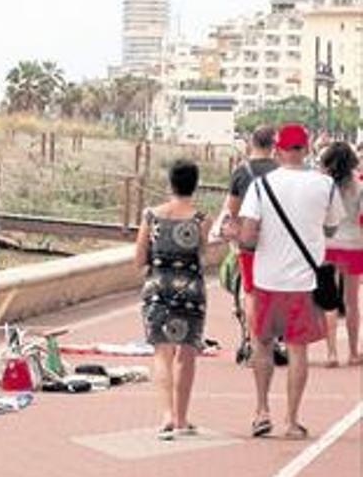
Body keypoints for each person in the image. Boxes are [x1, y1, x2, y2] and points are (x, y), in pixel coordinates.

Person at [239, 123, 345, 439]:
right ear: (307, 148)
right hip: (304, 281)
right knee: (298, 349)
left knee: (262, 343)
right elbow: (331, 229)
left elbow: (247, 236)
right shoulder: (325, 185)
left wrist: (244, 238)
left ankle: (261, 411)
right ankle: (292, 419)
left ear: (278, 149)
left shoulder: (260, 186)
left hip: (267, 278)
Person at [134, 159, 210, 441]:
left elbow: (138, 258)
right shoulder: (201, 218)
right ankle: (181, 417)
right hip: (190, 291)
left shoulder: (150, 216)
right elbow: (203, 255)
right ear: (195, 184)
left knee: (161, 352)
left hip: (157, 287)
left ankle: (165, 415)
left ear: (170, 183)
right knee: (186, 353)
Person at [223, 126, 279, 335]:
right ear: (274, 146)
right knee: (275, 289)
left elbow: (232, 209)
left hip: (249, 241)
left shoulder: (241, 171)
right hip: (277, 241)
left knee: (251, 290)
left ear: (251, 143)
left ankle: (251, 336)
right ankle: (276, 336)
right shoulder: (281, 171)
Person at [320, 141, 362, 367]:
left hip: (328, 244)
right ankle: (354, 352)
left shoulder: (324, 187)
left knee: (329, 300)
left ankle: (331, 352)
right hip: (354, 245)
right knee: (352, 301)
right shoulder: (359, 185)